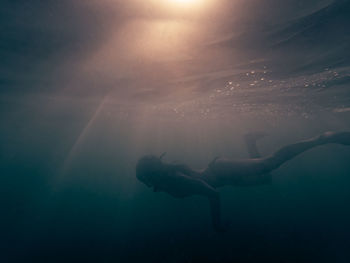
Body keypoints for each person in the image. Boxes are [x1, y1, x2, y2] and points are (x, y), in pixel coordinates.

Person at [136, 131, 350, 232]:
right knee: (265, 178)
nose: (146, 182)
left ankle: (323, 139)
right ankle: (250, 140)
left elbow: (212, 192)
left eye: (145, 177)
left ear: (151, 173)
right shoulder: (165, 181)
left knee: (270, 163)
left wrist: (216, 224)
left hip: (220, 171)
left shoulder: (175, 179)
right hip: (223, 177)